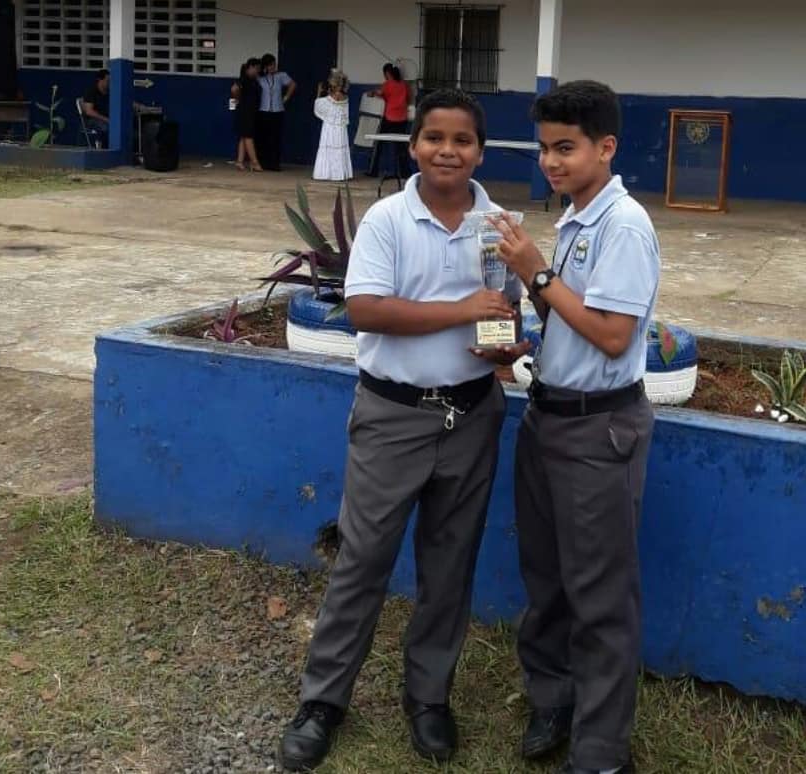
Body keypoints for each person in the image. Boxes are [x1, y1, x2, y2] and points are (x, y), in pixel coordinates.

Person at [278, 89, 528, 772]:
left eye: (462, 140)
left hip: (472, 414)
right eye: (433, 138)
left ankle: (428, 698)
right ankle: (322, 701)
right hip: (392, 415)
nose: (448, 151)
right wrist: (457, 311)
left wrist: (504, 345)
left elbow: (500, 311)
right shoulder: (390, 218)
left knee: (450, 566)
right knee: (362, 561)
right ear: (412, 144)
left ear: (481, 149)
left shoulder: (499, 225)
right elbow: (364, 310)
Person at [491, 80, 659, 774]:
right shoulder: (576, 220)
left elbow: (614, 337)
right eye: (543, 148)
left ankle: (598, 752)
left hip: (598, 434)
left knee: (598, 596)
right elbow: (572, 325)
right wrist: (521, 348)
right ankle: (552, 698)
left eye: (565, 148)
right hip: (547, 417)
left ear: (605, 147)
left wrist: (534, 274)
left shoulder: (623, 226)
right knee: (547, 578)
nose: (551, 162)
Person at [366, 63, 410, 179]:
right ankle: (405, 173)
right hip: (403, 118)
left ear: (387, 73)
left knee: (379, 144)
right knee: (401, 146)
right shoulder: (404, 85)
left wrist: (372, 93)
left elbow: (380, 93)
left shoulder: (387, 85)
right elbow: (408, 99)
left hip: (390, 118)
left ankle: (373, 171)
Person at [257, 53, 296, 171]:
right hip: (263, 110)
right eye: (270, 65)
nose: (273, 67)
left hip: (277, 110)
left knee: (275, 138)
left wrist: (286, 97)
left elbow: (293, 84)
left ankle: (274, 164)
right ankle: (263, 162)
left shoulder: (281, 76)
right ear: (266, 66)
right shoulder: (260, 77)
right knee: (264, 138)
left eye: (274, 65)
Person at [312, 69, 353, 181]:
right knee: (339, 149)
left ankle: (326, 173)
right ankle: (340, 173)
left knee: (329, 148)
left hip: (330, 127)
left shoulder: (332, 97)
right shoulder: (345, 96)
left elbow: (318, 104)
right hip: (341, 127)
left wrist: (319, 92)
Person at [232, 58, 263, 172]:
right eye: (257, 68)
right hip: (245, 111)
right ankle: (254, 162)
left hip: (250, 111)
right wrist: (239, 100)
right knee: (248, 137)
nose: (258, 71)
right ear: (251, 67)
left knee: (243, 136)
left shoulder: (253, 79)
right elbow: (234, 89)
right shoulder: (244, 79)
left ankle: (239, 162)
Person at [81, 69, 111, 145]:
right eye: (108, 81)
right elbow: (89, 111)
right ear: (100, 80)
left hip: (106, 118)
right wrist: (106, 119)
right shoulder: (92, 91)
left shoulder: (110, 91)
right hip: (92, 120)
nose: (110, 83)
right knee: (108, 128)